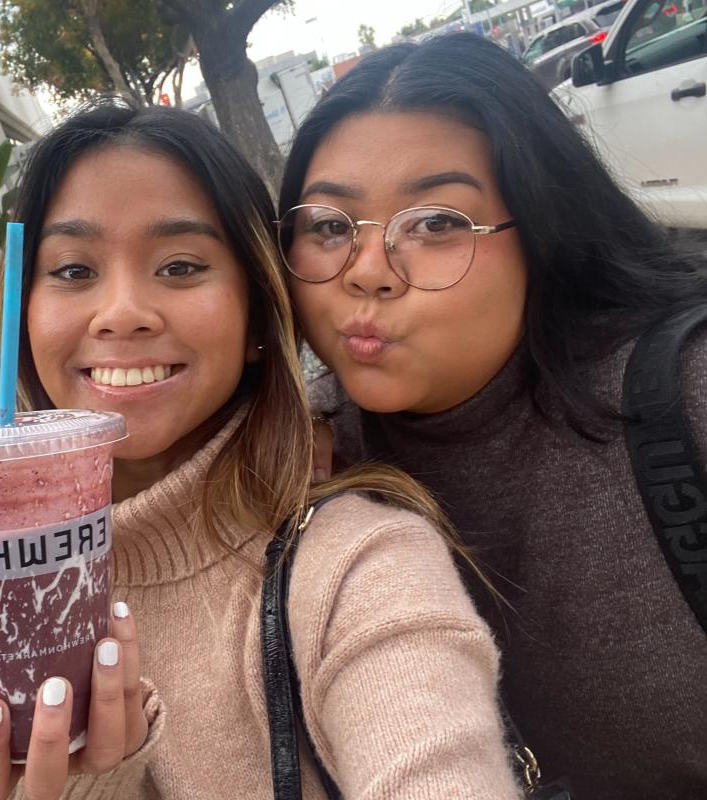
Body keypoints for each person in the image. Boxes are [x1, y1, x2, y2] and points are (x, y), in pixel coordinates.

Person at [0, 103, 521, 800]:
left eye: (181, 265)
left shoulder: (357, 569)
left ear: (255, 315)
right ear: (24, 314)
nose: (122, 311)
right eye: (71, 271)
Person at [279, 33, 707, 800]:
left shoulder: (683, 394)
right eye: (330, 226)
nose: (368, 271)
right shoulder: (302, 463)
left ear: (541, 229)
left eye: (437, 223)